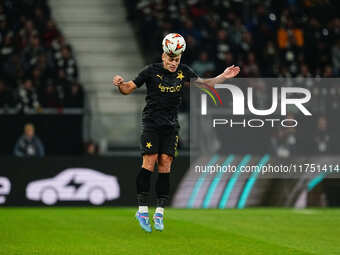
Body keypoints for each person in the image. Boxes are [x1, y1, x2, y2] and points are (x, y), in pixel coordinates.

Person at [112, 33, 240, 232]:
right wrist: (121, 84)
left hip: (171, 126)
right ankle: (143, 209)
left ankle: (160, 213)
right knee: (150, 160)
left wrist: (223, 76)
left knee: (165, 163)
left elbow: (206, 86)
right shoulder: (151, 71)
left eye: (177, 59)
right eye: (171, 59)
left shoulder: (184, 71)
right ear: (164, 56)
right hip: (151, 124)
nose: (174, 63)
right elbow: (128, 88)